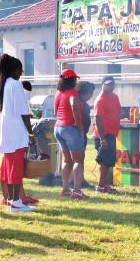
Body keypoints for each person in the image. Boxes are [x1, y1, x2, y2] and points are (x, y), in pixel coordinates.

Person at [0, 54, 34, 213]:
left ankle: (11, 199)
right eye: (20, 70)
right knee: (16, 169)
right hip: (16, 134)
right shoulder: (15, 85)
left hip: (3, 132)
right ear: (15, 70)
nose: (21, 73)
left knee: (9, 168)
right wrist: (31, 134)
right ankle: (15, 202)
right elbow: (24, 112)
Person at [54, 69, 88, 199]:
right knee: (78, 160)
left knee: (67, 160)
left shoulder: (58, 93)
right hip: (70, 128)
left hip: (59, 128)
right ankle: (77, 191)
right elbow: (74, 105)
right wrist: (78, 123)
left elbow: (56, 110)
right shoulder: (73, 93)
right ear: (72, 80)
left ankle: (65, 189)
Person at [93, 76, 121, 194]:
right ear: (102, 84)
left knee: (108, 162)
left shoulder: (114, 97)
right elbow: (98, 120)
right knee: (104, 162)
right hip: (103, 135)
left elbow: (117, 112)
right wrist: (102, 139)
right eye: (108, 84)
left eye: (112, 84)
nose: (110, 86)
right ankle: (100, 186)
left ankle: (104, 184)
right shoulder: (100, 100)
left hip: (111, 134)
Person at [76, 81, 95, 149]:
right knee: (79, 156)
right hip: (79, 133)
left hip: (82, 132)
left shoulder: (80, 101)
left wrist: (90, 107)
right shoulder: (77, 101)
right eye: (91, 94)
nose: (91, 96)